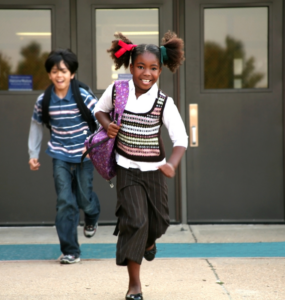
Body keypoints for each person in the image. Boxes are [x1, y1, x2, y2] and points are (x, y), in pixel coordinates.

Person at [94, 31, 188, 300]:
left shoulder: (164, 103)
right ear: (130, 66)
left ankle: (150, 240)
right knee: (134, 221)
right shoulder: (118, 91)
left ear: (161, 69)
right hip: (127, 170)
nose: (146, 73)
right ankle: (134, 285)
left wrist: (171, 163)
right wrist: (107, 125)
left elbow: (180, 138)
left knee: (159, 223)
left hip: (155, 172)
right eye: (140, 67)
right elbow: (99, 110)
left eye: (153, 68)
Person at [28, 49, 100, 264]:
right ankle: (70, 251)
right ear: (49, 75)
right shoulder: (44, 100)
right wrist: (33, 153)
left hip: (83, 155)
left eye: (63, 71)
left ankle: (91, 217)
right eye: (54, 71)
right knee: (64, 202)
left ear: (72, 74)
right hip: (59, 154)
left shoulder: (83, 96)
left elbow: (100, 121)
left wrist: (92, 146)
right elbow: (36, 125)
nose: (59, 75)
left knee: (85, 199)